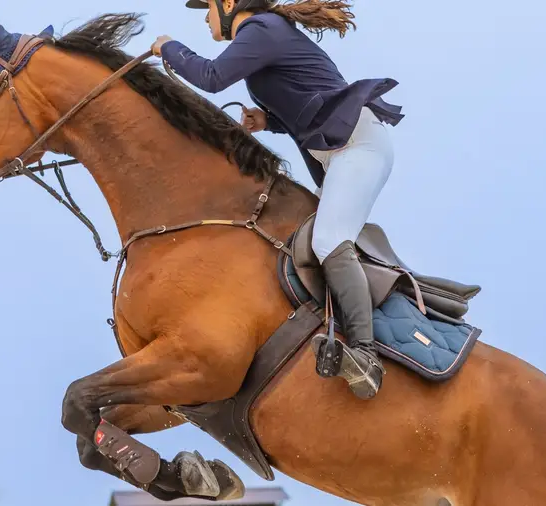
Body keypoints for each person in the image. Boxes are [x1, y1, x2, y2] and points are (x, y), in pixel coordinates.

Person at [152, 0, 404, 400]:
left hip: (359, 148)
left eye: (207, 8)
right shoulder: (267, 33)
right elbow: (307, 101)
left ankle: (366, 357)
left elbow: (213, 77)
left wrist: (168, 46)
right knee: (298, 241)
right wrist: (267, 121)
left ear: (229, 4)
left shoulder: (262, 29)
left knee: (327, 241)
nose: (204, 18)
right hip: (342, 153)